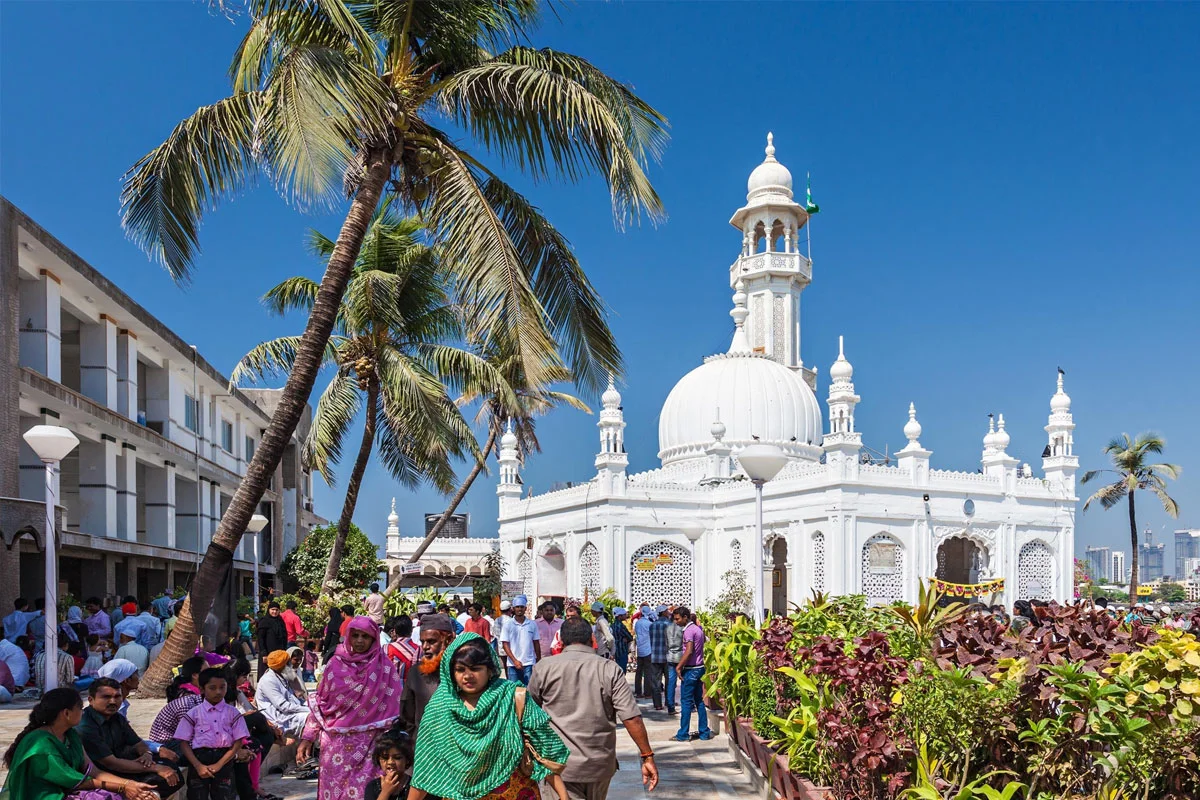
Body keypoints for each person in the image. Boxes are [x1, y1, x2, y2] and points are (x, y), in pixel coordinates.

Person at [408, 633, 570, 800]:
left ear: (490, 669)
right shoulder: (440, 707)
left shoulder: (513, 697)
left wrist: (564, 796)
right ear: (451, 672)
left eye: (476, 668)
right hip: (458, 795)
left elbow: (545, 751)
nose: (467, 676)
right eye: (460, 669)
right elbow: (425, 767)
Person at [530, 618, 658, 800]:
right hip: (599, 766)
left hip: (559, 766)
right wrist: (647, 756)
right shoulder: (610, 669)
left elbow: (528, 713)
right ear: (592, 638)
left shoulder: (544, 668)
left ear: (560, 641)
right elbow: (631, 718)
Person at [298, 617, 403, 800]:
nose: (360, 641)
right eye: (355, 635)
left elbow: (395, 706)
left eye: (366, 636)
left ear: (374, 639)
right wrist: (307, 737)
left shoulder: (384, 668)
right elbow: (322, 704)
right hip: (335, 745)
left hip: (371, 743)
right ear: (348, 637)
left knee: (366, 793)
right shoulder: (334, 665)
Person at [2, 687, 159, 800]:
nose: (83, 712)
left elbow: (93, 771)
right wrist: (123, 786)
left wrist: (131, 784)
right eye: (80, 708)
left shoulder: (70, 734)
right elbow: (78, 782)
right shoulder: (40, 744)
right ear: (66, 713)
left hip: (68, 790)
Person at [76, 678, 183, 796]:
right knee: (154, 786)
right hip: (104, 775)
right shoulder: (85, 725)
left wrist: (147, 754)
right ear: (91, 700)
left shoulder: (117, 718)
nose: (113, 701)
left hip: (125, 765)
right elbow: (110, 763)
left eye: (117, 697)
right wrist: (155, 768)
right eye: (106, 697)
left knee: (171, 768)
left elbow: (138, 743)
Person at [176, 668, 248, 800]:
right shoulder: (193, 714)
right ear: (202, 689)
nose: (218, 692)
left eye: (222, 687)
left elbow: (238, 742)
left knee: (225, 796)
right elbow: (183, 742)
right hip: (198, 760)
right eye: (212, 688)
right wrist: (198, 766)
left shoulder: (233, 713)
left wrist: (219, 764)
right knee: (197, 796)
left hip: (224, 760)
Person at [397, 613, 455, 739]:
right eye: (422, 642)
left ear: (449, 640)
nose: (425, 647)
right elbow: (407, 717)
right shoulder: (415, 673)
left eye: (431, 641)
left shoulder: (460, 672)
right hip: (423, 746)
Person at [670, 607, 712, 742]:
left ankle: (683, 734)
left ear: (685, 617)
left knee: (686, 702)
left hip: (691, 669)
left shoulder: (689, 631)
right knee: (699, 700)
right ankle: (704, 732)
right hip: (699, 668)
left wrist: (679, 666)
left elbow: (688, 651)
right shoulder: (698, 630)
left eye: (678, 619)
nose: (676, 622)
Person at [148, 656, 206, 748]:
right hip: (166, 744)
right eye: (206, 672)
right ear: (195, 675)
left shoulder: (193, 693)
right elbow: (190, 731)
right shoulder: (187, 698)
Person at [257, 650, 310, 738]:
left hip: (290, 712)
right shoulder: (268, 680)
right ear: (280, 667)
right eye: (288, 663)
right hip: (278, 717)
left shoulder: (282, 675)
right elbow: (283, 706)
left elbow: (293, 698)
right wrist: (308, 710)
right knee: (312, 717)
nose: (290, 665)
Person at [498, 595, 540, 686]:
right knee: (513, 691)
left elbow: (536, 643)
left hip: (529, 663)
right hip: (513, 664)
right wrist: (515, 661)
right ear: (513, 609)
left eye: (521, 607)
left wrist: (538, 660)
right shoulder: (508, 625)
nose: (519, 609)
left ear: (525, 608)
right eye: (517, 607)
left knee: (529, 691)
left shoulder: (532, 624)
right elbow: (505, 644)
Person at [364, 732, 412, 800]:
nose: (390, 762)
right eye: (385, 757)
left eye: (397, 758)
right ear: (378, 759)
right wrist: (385, 792)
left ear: (407, 760)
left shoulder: (415, 787)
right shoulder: (372, 787)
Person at [256, 603, 288, 678]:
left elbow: (284, 636)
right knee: (267, 674)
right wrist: (264, 654)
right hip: (268, 653)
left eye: (277, 610)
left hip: (279, 653)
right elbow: (260, 638)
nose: (274, 612)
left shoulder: (280, 621)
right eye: (272, 609)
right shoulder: (264, 621)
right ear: (269, 610)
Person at [647, 608, 671, 711]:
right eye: (667, 611)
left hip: (655, 656)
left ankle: (657, 704)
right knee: (669, 681)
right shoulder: (669, 625)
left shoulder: (652, 625)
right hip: (667, 657)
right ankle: (669, 702)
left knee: (656, 682)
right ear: (664, 612)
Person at [385, 616, 420, 684]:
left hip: (391, 690)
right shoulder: (419, 649)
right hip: (413, 690)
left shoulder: (387, 648)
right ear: (411, 630)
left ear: (394, 631)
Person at [664, 607, 683, 714]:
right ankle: (687, 704)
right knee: (683, 680)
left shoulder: (668, 628)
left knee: (671, 682)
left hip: (670, 655)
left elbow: (666, 643)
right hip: (680, 656)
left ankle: (670, 706)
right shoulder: (682, 628)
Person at [633, 606, 653, 697]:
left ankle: (638, 691)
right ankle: (647, 692)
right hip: (648, 649)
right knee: (648, 672)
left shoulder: (637, 623)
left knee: (639, 672)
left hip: (640, 650)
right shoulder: (649, 624)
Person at [610, 608, 632, 674]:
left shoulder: (612, 625)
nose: (625, 616)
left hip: (614, 651)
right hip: (622, 650)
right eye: (624, 615)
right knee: (622, 671)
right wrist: (625, 639)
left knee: (616, 671)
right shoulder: (621, 626)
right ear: (620, 616)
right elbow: (630, 637)